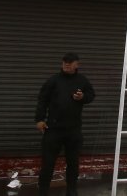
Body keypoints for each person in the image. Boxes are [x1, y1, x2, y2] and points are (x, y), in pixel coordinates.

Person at [36, 53, 95, 196]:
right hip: (53, 129)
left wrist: (82, 97)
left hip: (73, 130)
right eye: (64, 62)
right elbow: (42, 99)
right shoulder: (53, 80)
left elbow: (91, 95)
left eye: (70, 62)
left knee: (73, 163)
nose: (67, 64)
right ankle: (43, 191)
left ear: (77, 64)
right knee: (48, 163)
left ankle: (72, 190)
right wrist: (39, 119)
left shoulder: (82, 80)